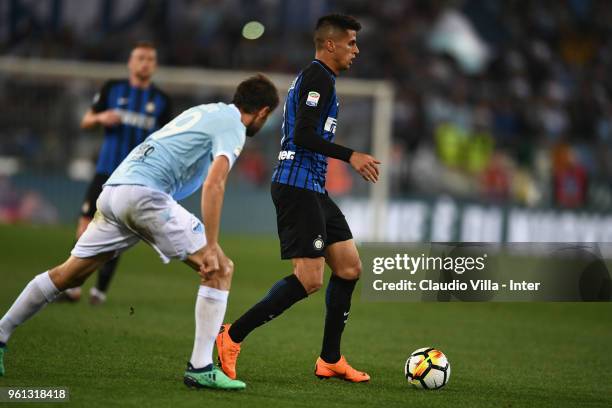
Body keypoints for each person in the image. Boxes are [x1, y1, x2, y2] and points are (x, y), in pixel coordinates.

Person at [0, 74, 280, 390]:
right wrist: (211, 244)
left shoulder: (207, 111)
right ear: (263, 112)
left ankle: (1, 333)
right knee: (219, 268)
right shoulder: (233, 127)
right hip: (145, 196)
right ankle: (200, 368)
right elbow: (215, 183)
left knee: (69, 276)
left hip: (116, 191)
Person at [216, 14, 380, 382]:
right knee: (309, 278)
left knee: (350, 267)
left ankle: (330, 359)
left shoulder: (321, 79)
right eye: (351, 42)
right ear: (330, 44)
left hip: (313, 187)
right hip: (298, 185)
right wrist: (351, 155)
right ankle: (232, 335)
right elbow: (304, 136)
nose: (356, 49)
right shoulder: (318, 76)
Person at [63, 41, 173, 305]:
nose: (145, 63)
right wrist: (101, 118)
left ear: (155, 65)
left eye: (150, 59)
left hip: (136, 178)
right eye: (140, 58)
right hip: (105, 170)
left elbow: (167, 140)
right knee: (84, 225)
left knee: (117, 230)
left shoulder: (161, 101)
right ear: (130, 62)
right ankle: (73, 286)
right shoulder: (112, 89)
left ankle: (100, 289)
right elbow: (86, 121)